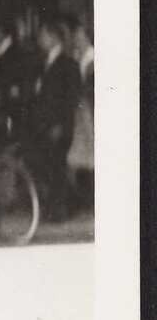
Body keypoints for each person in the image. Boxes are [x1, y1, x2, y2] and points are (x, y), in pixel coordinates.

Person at [24, 13, 81, 222]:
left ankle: (58, 210)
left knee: (56, 167)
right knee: (46, 166)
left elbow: (71, 99)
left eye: (44, 35)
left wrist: (62, 124)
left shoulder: (68, 64)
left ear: (54, 37)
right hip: (42, 125)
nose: (41, 39)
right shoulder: (42, 63)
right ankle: (56, 205)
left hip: (58, 126)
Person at [64, 15, 94, 211]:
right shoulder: (77, 58)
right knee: (79, 159)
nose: (76, 39)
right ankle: (84, 201)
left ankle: (88, 201)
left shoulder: (92, 59)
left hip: (89, 114)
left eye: (80, 35)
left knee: (89, 158)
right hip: (81, 114)